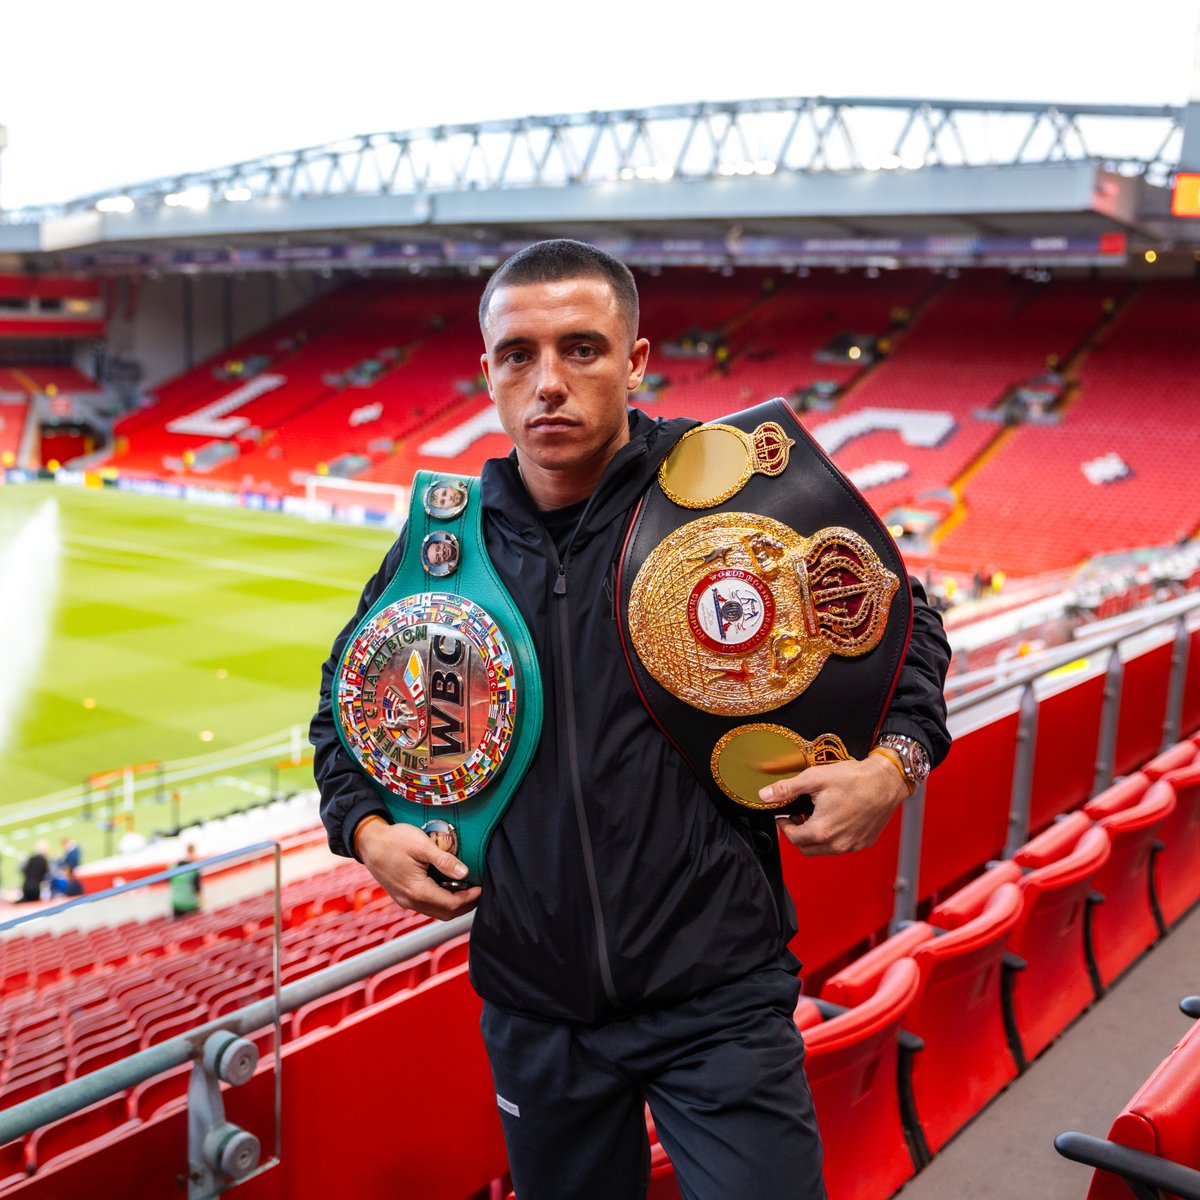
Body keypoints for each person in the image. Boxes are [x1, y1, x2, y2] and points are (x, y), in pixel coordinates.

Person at [312, 240, 951, 1200]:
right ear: (486, 373)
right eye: (518, 355)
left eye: (582, 348)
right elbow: (344, 710)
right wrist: (368, 835)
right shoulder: (446, 543)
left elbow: (904, 626)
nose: (549, 383)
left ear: (637, 360)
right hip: (537, 1011)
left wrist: (892, 765)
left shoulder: (724, 492)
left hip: (720, 997)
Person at [169, 843, 202, 918]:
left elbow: (169, 882)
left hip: (177, 902)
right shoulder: (194, 869)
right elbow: (198, 889)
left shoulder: (173, 867)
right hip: (190, 904)